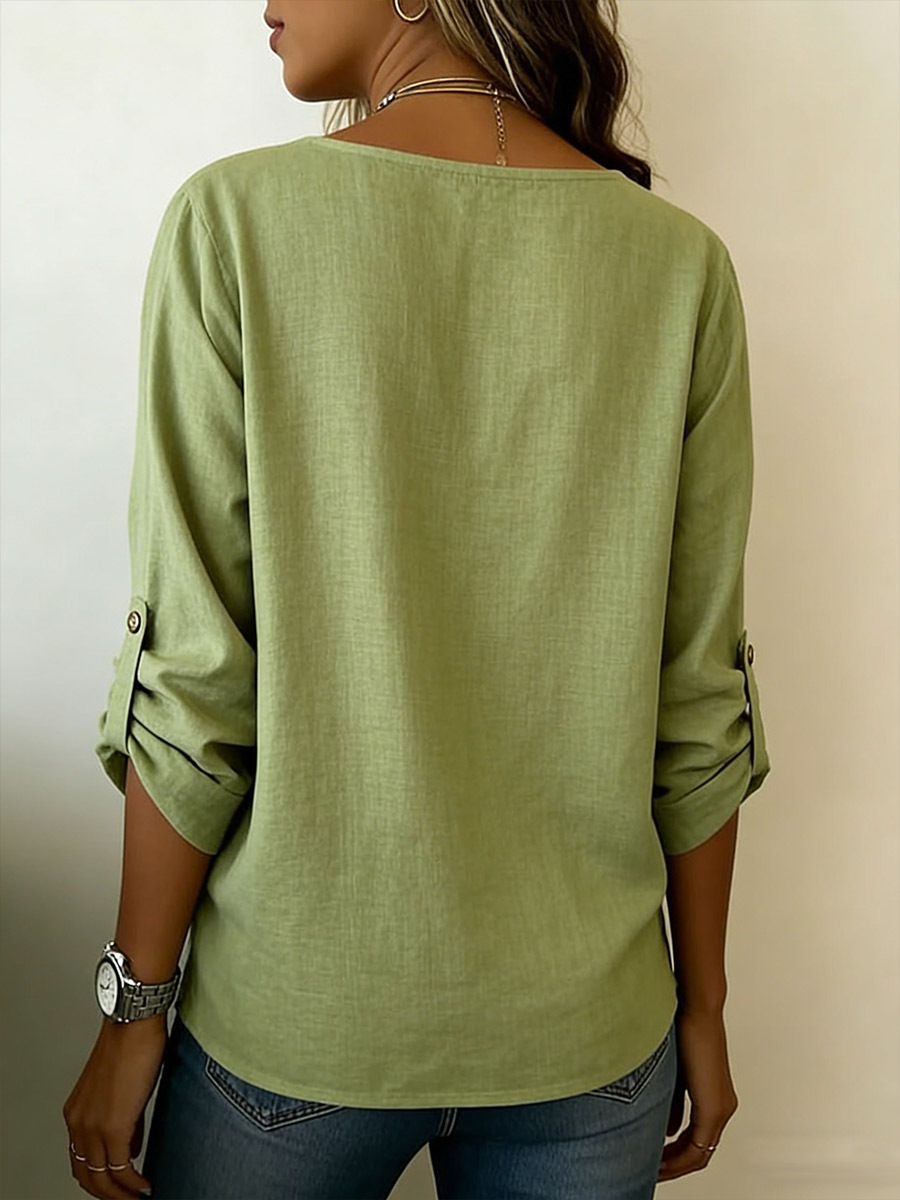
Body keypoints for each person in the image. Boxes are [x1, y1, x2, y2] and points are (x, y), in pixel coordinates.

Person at [62, 0, 772, 1197]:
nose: (263, 3)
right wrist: (703, 1005)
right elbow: (698, 701)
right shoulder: (679, 265)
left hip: (299, 1025)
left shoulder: (235, 223)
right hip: (591, 1037)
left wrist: (135, 1010)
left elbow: (192, 684)